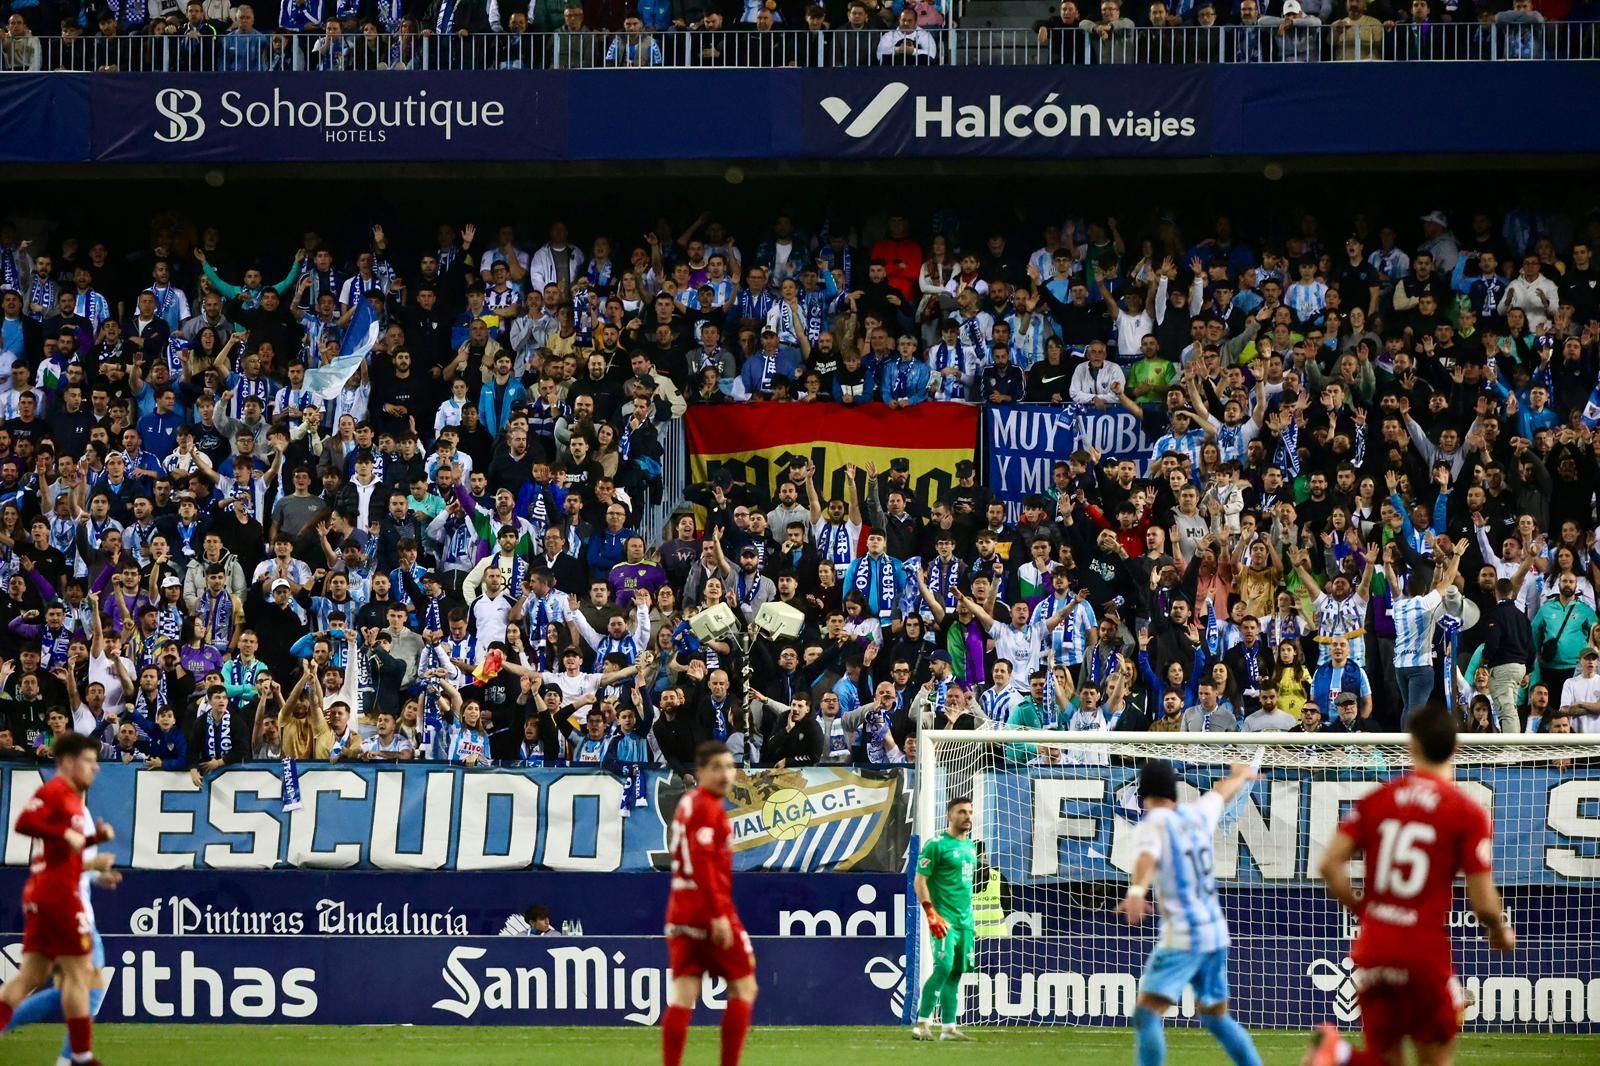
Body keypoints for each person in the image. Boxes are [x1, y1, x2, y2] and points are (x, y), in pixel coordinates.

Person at [1306, 702, 1516, 1066]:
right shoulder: (1467, 812)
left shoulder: (1378, 799)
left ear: (1412, 745)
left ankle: (1339, 1054)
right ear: (1455, 748)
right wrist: (1499, 930)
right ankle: (1338, 1055)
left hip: (1373, 949)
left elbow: (1329, 864)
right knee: (1436, 1060)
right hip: (1421, 951)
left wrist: (1363, 909)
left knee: (1386, 1060)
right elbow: (1483, 901)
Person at [1117, 759, 1263, 1066]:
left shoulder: (1155, 822)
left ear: (1143, 794)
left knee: (1146, 1013)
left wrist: (1136, 891)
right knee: (1216, 1017)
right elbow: (1221, 793)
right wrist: (1240, 776)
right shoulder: (1197, 814)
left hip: (1184, 934)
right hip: (1215, 934)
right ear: (1174, 791)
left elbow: (1146, 857)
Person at [0, 733, 110, 1064]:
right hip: (62, 897)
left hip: (49, 892)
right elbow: (24, 822)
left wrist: (93, 843)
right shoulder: (57, 791)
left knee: (32, 977)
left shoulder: (73, 801)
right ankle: (79, 1057)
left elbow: (63, 854)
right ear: (68, 762)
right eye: (89, 761)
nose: (95, 768)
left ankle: (76, 1056)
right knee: (82, 979)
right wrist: (67, 835)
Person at [661, 741, 756, 1066]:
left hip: (680, 909)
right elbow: (702, 863)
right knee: (744, 987)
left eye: (729, 767)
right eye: (716, 768)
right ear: (700, 772)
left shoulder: (688, 802)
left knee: (684, 994)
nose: (725, 775)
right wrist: (718, 915)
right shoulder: (707, 807)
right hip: (707, 909)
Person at [911, 794, 978, 1042]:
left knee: (956, 972)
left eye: (970, 812)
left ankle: (948, 1028)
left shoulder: (971, 847)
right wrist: (931, 913)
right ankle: (921, 1023)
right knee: (943, 967)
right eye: (961, 812)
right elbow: (920, 881)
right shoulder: (936, 845)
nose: (967, 816)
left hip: (965, 922)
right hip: (943, 920)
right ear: (949, 815)